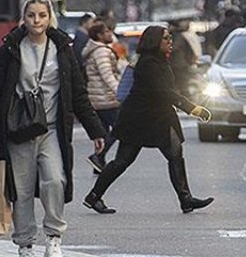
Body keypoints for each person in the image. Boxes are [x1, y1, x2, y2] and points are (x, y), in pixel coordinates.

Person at [0, 0, 106, 257]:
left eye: (42, 15)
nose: (37, 21)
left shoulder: (62, 48)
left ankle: (53, 240)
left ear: (50, 17)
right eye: (31, 15)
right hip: (18, 131)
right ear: (23, 18)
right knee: (21, 190)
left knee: (55, 180)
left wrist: (95, 129)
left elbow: (77, 93)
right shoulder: (11, 48)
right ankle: (25, 247)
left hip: (51, 130)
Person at [82, 25, 215, 215]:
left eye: (170, 38)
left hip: (158, 118)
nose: (171, 42)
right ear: (155, 41)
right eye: (166, 39)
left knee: (175, 154)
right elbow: (164, 92)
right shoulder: (148, 64)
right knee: (122, 161)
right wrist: (192, 108)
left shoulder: (157, 60)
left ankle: (186, 199)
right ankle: (94, 196)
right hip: (139, 120)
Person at [83, 21, 122, 173]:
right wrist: (120, 91)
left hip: (96, 97)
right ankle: (98, 157)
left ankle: (98, 164)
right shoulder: (101, 52)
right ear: (99, 35)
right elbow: (107, 75)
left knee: (102, 132)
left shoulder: (94, 50)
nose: (110, 34)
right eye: (106, 32)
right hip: (106, 98)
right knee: (120, 127)